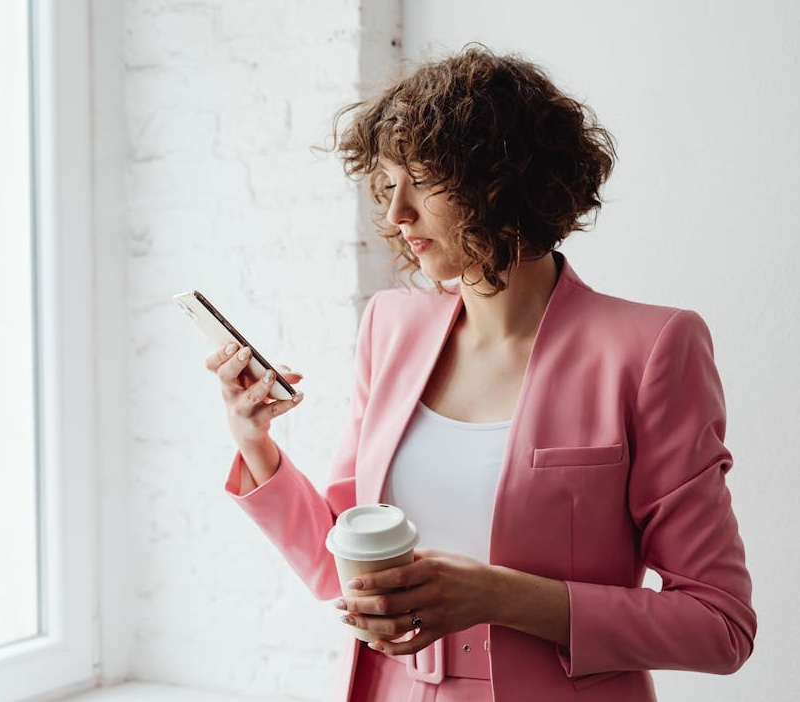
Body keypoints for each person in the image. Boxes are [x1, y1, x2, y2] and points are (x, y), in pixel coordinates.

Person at [204, 46, 755, 702]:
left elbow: (720, 626)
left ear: (504, 179)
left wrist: (498, 595)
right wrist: (256, 445)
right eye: (387, 183)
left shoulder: (650, 349)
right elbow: (339, 568)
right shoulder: (390, 326)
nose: (395, 213)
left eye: (424, 179)